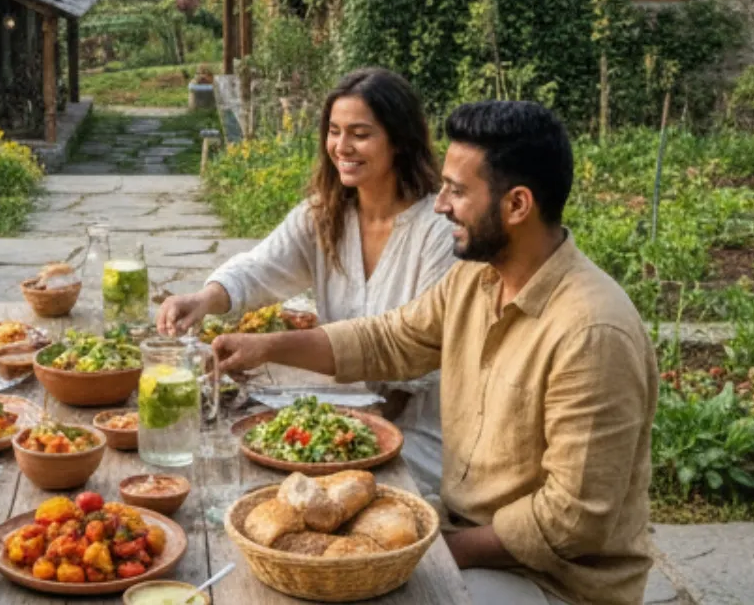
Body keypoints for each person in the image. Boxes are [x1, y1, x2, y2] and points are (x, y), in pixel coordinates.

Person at [210, 101, 655, 605]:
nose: (440, 205)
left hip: (553, 581)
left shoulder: (592, 333)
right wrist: (263, 348)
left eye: (457, 191)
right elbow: (390, 339)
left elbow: (572, 521)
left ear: (517, 206)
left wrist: (434, 550)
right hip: (466, 533)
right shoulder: (478, 277)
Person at [156, 66, 454, 487]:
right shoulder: (327, 213)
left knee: (284, 489)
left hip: (418, 437)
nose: (342, 147)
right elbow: (261, 266)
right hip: (348, 416)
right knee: (234, 469)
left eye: (360, 134)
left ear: (401, 141)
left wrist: (273, 349)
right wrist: (205, 298)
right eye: (334, 131)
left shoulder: (438, 232)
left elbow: (420, 362)